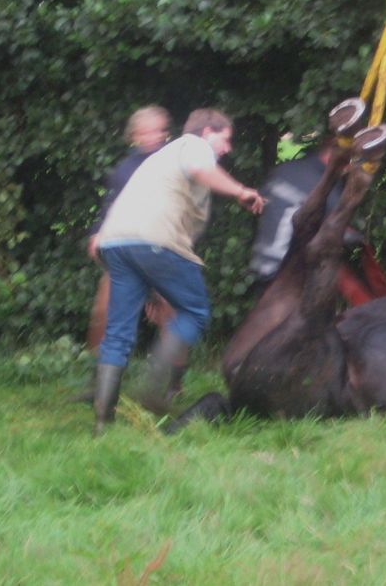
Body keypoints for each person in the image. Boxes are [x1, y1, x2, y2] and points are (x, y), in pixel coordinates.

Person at [91, 108, 264, 434]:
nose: (227, 149)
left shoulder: (159, 159)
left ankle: (102, 424)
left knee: (117, 333)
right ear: (206, 132)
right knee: (194, 311)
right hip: (153, 241)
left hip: (116, 242)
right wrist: (241, 190)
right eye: (225, 140)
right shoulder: (193, 146)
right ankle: (154, 385)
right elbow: (201, 169)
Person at [249, 138, 386, 305]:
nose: (351, 167)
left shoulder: (284, 170)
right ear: (340, 157)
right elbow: (337, 234)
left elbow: (260, 206)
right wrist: (358, 238)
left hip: (260, 267)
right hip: (289, 274)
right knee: (343, 275)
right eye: (353, 160)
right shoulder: (328, 187)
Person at [85, 106, 175, 352]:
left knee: (171, 311)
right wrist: (97, 232)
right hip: (124, 249)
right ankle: (98, 374)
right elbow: (110, 207)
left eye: (157, 132)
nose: (152, 137)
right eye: (145, 133)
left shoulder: (176, 163)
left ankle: (173, 384)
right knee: (104, 309)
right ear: (134, 136)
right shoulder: (123, 170)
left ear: (165, 133)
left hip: (164, 250)